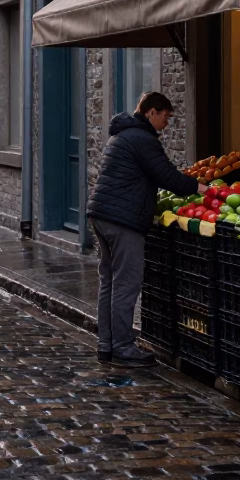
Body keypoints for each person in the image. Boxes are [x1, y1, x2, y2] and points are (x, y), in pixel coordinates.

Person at [87, 92, 206, 368]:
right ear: (152, 112)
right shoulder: (142, 139)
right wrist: (199, 188)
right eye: (166, 115)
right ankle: (123, 348)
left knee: (109, 281)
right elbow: (165, 175)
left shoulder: (121, 135)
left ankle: (106, 345)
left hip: (101, 214)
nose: (167, 122)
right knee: (127, 283)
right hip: (122, 220)